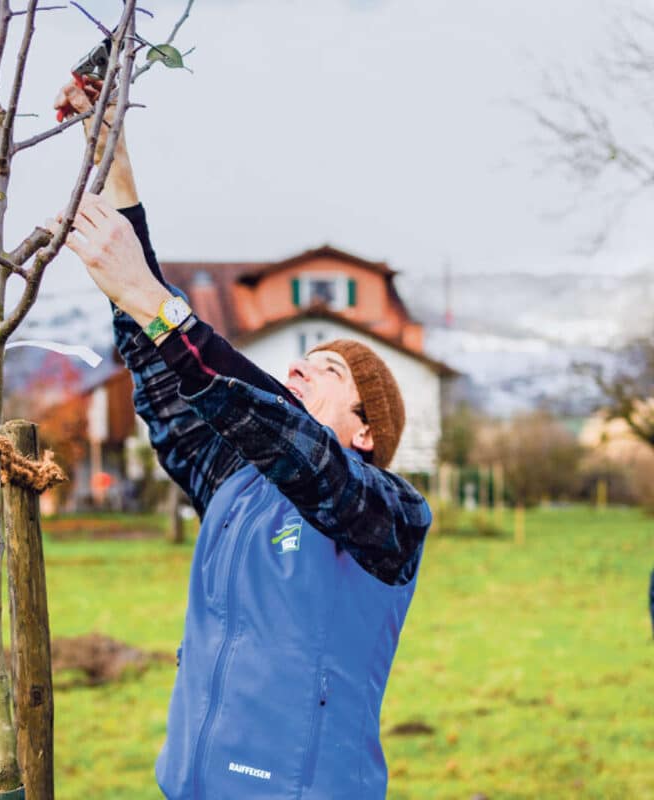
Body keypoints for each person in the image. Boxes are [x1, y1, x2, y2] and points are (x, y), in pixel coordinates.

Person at [52, 79, 433, 799]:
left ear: (366, 430)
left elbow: (289, 441)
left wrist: (159, 305)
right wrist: (113, 162)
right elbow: (168, 372)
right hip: (191, 784)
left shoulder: (388, 517)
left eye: (324, 370)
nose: (296, 368)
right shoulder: (233, 481)